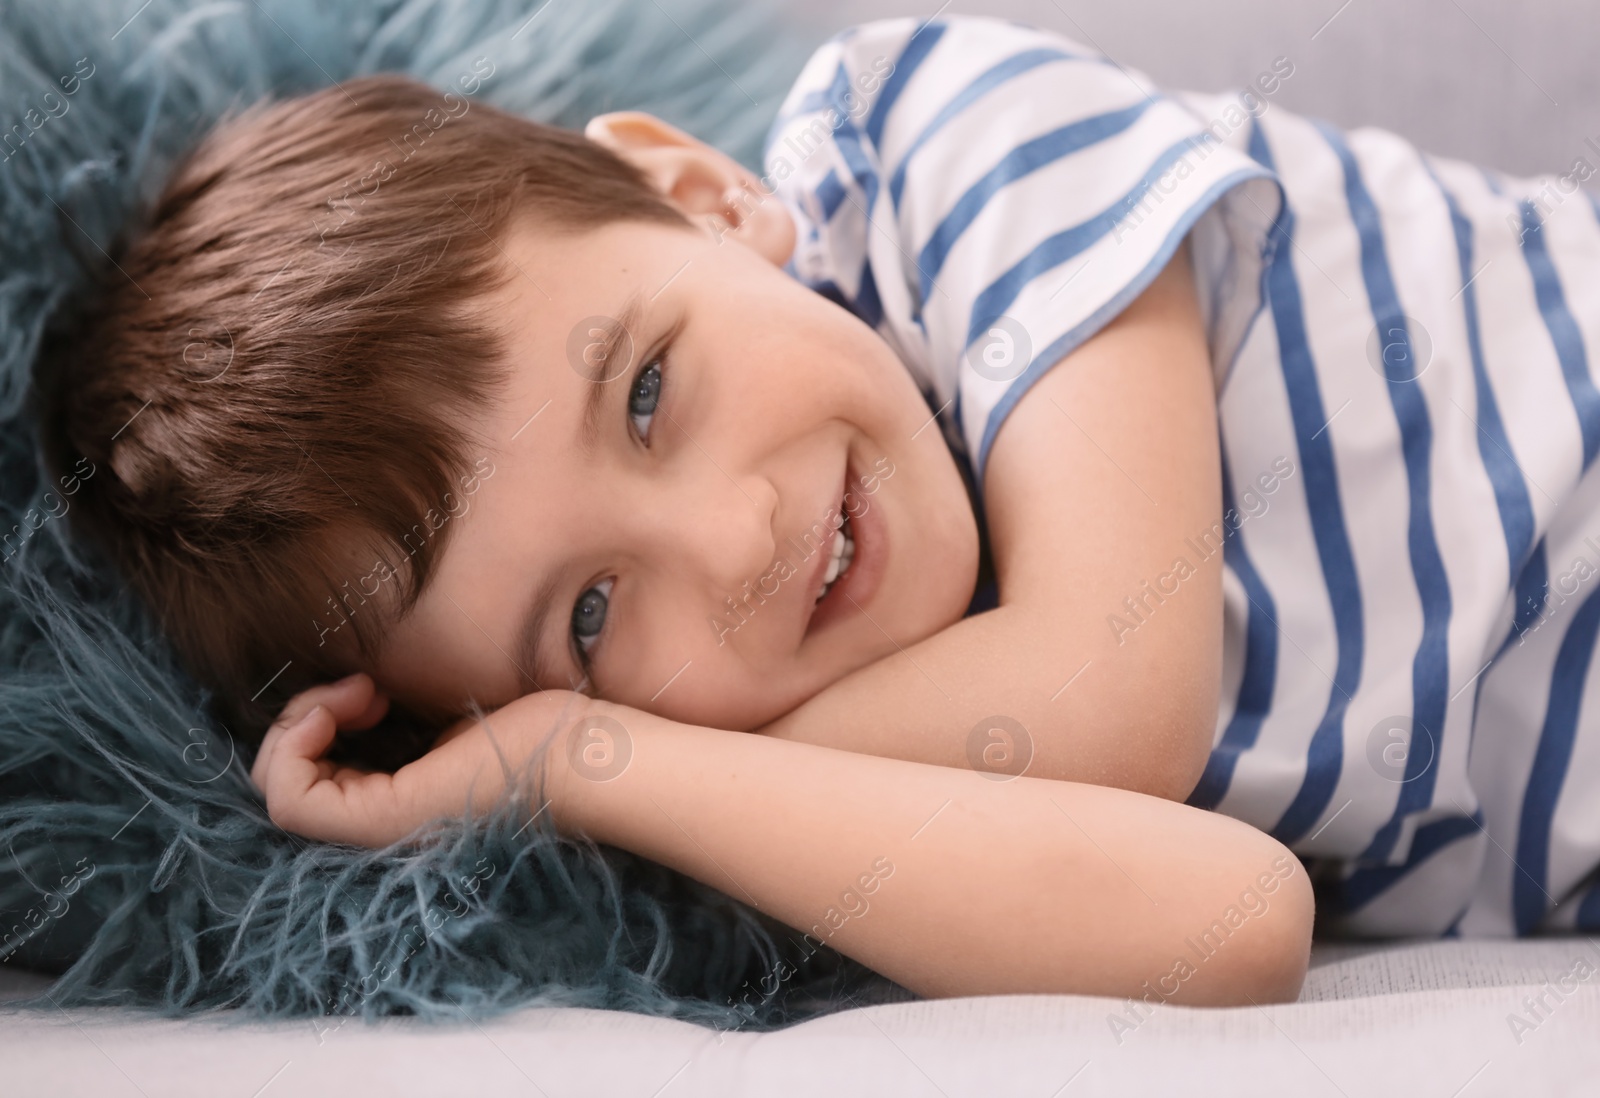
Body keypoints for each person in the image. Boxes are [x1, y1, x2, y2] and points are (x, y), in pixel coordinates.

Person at [73, 10, 1600, 1004]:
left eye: (650, 392)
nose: (734, 545)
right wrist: (591, 768)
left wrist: (618, 739)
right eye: (592, 616)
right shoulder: (787, 785)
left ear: (702, 195)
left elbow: (1116, 697)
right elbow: (1237, 919)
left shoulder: (953, 135)